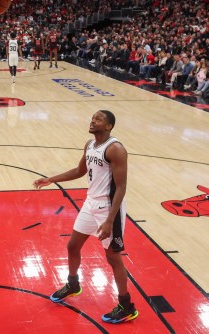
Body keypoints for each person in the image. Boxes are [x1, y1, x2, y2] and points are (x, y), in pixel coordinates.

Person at [33, 110, 138, 324]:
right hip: (91, 203)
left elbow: (122, 187)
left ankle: (126, 305)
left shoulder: (116, 149)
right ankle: (73, 284)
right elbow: (80, 170)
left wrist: (110, 220)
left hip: (109, 208)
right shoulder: (90, 145)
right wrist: (51, 179)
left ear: (108, 126)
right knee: (73, 246)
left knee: (112, 257)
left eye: (98, 119)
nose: (92, 120)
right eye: (92, 117)